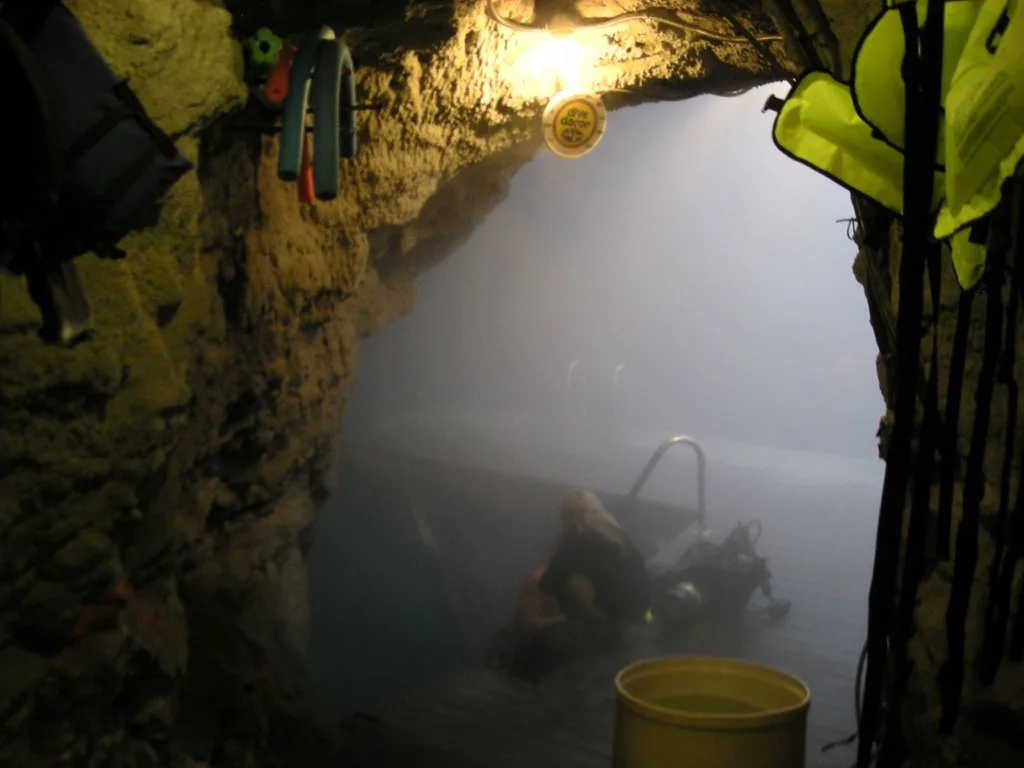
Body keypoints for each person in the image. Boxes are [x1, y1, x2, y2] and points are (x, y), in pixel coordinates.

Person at [501, 490, 651, 680]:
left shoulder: (579, 534)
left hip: (611, 620)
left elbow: (549, 582)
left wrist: (570, 615)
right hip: (637, 615)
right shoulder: (618, 535)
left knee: (537, 652)